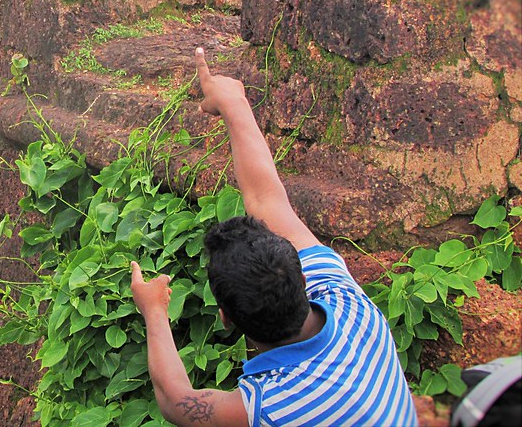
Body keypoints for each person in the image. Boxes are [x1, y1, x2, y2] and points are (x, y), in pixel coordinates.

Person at [130, 48, 417, 427]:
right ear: (301, 279)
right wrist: (235, 103)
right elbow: (267, 199)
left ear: (225, 318)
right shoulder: (350, 306)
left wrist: (152, 308)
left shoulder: (271, 406)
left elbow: (175, 401)